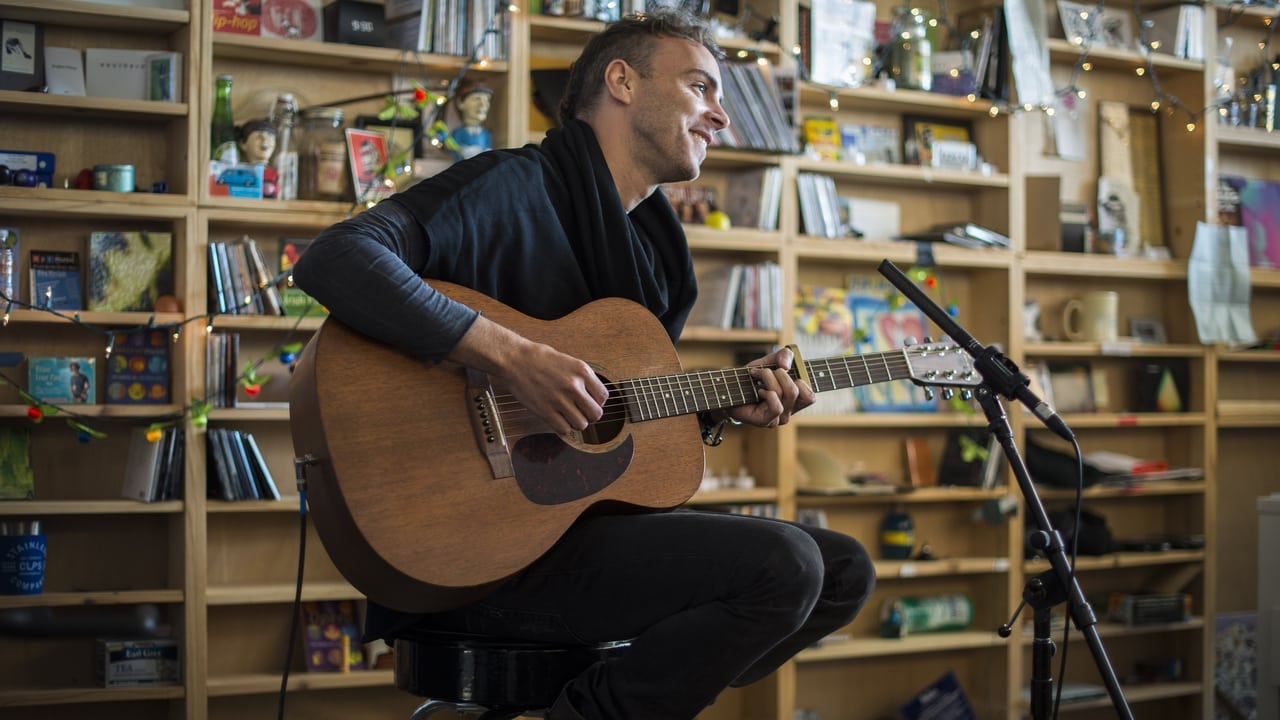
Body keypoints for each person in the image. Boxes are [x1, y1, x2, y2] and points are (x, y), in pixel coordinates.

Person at [293, 9, 875, 719]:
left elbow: (617, 421)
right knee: (786, 566)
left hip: (572, 534)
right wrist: (509, 356)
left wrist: (718, 405)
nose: (723, 117)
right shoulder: (510, 187)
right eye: (701, 88)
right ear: (623, 82)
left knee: (845, 570)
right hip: (469, 547)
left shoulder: (662, 258)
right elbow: (336, 258)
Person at [448, 79, 494, 161]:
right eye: (476, 99)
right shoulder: (458, 133)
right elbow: (455, 152)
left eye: (487, 100)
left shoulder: (486, 133)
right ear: (460, 103)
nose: (483, 105)